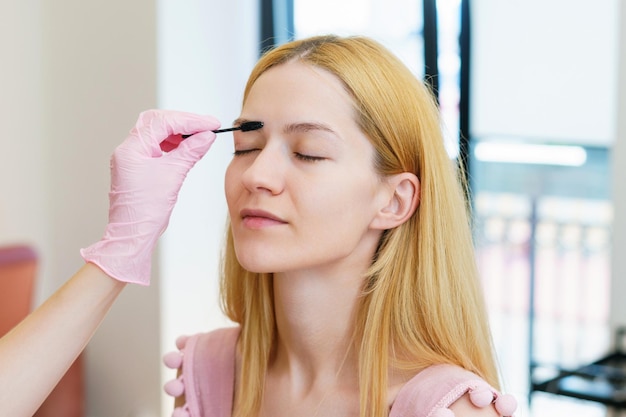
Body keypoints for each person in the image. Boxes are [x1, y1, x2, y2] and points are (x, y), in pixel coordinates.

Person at [0, 34, 517, 417]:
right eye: (246, 147)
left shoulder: (447, 409)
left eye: (308, 153)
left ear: (393, 200)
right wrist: (121, 249)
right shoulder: (209, 372)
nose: (258, 175)